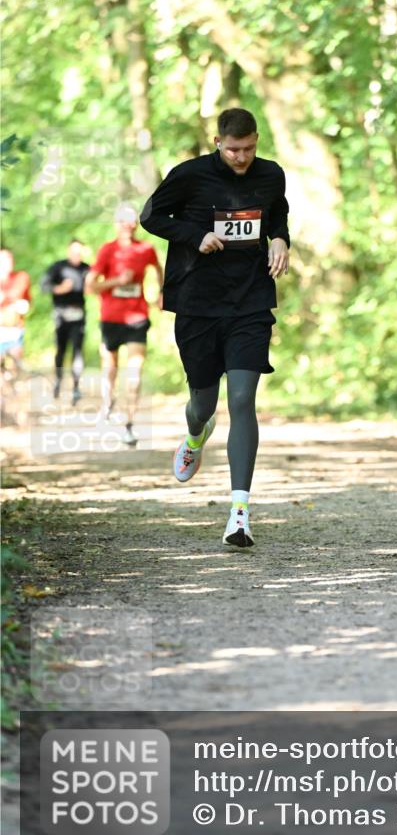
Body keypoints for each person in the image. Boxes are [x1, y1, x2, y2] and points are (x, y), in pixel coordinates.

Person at [140, 107, 290, 549]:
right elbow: (152, 216)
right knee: (202, 404)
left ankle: (239, 513)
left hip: (250, 302)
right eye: (233, 149)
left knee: (242, 399)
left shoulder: (270, 174)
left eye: (249, 148)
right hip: (198, 303)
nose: (242, 157)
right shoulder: (190, 176)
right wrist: (195, 236)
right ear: (218, 142)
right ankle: (194, 436)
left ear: (257, 140)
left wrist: (280, 239)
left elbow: (277, 214)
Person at [85, 205, 163, 446]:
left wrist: (161, 293)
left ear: (137, 224)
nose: (128, 225)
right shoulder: (107, 250)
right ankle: (108, 403)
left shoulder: (145, 249)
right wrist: (116, 281)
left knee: (134, 372)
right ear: (116, 224)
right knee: (110, 368)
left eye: (132, 221)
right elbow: (90, 286)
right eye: (123, 221)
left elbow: (159, 269)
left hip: (137, 318)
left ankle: (130, 424)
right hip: (110, 318)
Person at [40, 239, 90, 404]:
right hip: (60, 315)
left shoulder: (86, 269)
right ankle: (58, 380)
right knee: (61, 350)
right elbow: (44, 286)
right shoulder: (58, 267)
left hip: (78, 315)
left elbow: (94, 286)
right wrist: (60, 288)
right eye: (74, 251)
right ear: (68, 251)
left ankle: (76, 387)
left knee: (77, 351)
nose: (77, 255)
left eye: (79, 252)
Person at [0, 248, 31, 371]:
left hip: (14, 328)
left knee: (15, 361)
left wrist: (6, 298)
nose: (8, 262)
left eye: (9, 259)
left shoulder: (21, 277)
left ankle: (12, 379)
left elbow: (22, 298)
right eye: (4, 260)